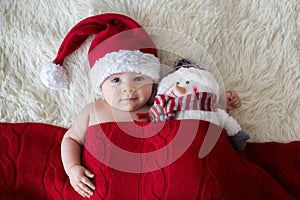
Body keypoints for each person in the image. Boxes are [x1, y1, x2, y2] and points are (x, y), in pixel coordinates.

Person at [40, 13, 242, 198]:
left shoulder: (160, 107)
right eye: (116, 80)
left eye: (138, 79)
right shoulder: (94, 110)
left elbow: (195, 114)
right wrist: (73, 168)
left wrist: (223, 104)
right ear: (100, 85)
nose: (128, 89)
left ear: (153, 82)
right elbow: (71, 139)